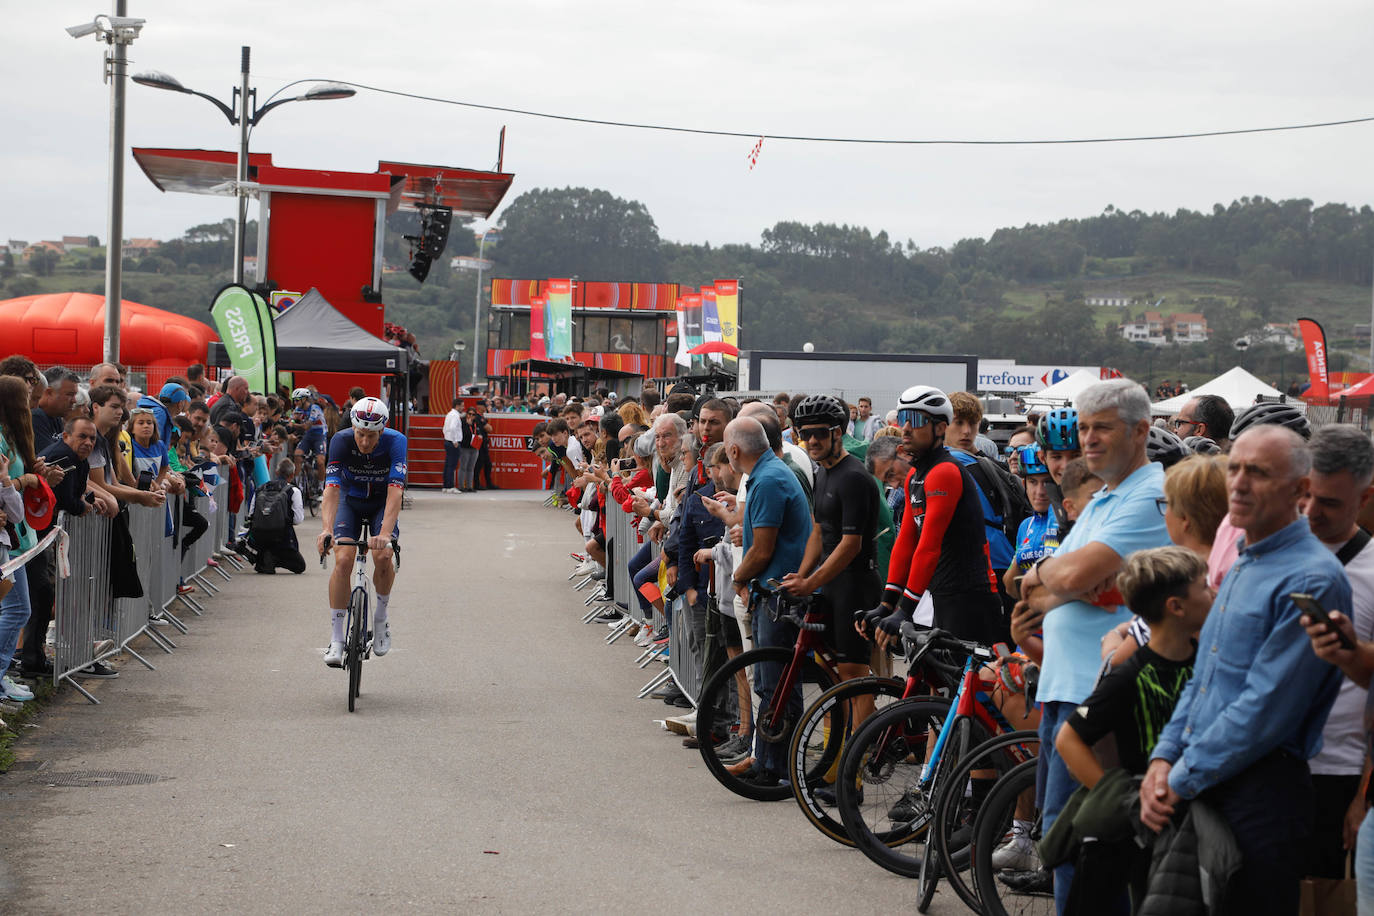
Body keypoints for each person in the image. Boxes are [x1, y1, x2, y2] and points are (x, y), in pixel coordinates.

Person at [1142, 424, 1347, 915]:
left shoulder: (1313, 578)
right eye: (1235, 467)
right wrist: (1164, 756)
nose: (1238, 482)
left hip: (1261, 793)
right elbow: (1204, 678)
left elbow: (1266, 708)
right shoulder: (1243, 564)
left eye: (1258, 472)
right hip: (1208, 778)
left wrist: (1179, 775)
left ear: (1300, 491)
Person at [1016, 379, 1171, 913]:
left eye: (1101, 427)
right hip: (1065, 686)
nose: (1088, 439)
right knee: (1067, 841)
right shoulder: (1104, 496)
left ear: (1141, 431)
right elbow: (1034, 590)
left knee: (1084, 842)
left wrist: (1057, 579)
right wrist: (1062, 582)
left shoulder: (1150, 496)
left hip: (1100, 694)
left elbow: (1070, 574)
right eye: (1083, 428)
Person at [1053, 546, 1212, 910]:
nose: (1214, 594)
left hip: (1179, 825)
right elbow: (1069, 738)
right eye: (1204, 587)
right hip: (1125, 830)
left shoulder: (1205, 663)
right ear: (1176, 607)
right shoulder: (1130, 675)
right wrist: (1123, 797)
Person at [858, 385, 1002, 648]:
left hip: (969, 597)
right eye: (903, 419)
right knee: (933, 683)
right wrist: (887, 602)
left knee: (974, 687)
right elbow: (905, 543)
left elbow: (928, 546)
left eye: (915, 420)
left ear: (939, 428)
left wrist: (905, 609)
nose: (906, 429)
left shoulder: (944, 471)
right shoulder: (915, 475)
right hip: (941, 594)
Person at [781, 395, 882, 754]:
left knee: (854, 677)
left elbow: (850, 544)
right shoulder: (823, 471)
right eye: (803, 434)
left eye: (819, 434)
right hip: (832, 583)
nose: (811, 441)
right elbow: (819, 532)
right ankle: (836, 758)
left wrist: (811, 581)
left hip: (855, 584)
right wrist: (800, 574)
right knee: (834, 679)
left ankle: (857, 761)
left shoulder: (854, 477)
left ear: (838, 432)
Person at [1299, 424, 1374, 885]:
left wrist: (1363, 793)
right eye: (1304, 495)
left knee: (1321, 895)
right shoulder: (1261, 548)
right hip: (1263, 759)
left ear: (1364, 498)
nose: (1311, 512)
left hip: (1337, 771)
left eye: (1329, 503)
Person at [724, 415, 811, 787]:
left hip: (778, 594)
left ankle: (778, 767)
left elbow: (762, 549)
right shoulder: (767, 474)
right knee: (772, 683)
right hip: (774, 590)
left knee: (775, 684)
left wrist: (738, 577)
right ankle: (771, 760)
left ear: (733, 451)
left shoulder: (768, 479)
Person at [316, 397, 406, 666]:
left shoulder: (396, 441)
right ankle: (336, 638)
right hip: (350, 500)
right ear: (352, 428)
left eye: (371, 436)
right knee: (343, 559)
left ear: (382, 431)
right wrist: (326, 530)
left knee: (382, 557)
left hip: (381, 502)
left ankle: (380, 618)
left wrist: (386, 535)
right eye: (360, 434)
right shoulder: (341, 441)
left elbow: (394, 494)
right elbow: (331, 490)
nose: (364, 442)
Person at [244, 457, 306, 574]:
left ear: (276, 472)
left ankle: (263, 558)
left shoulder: (261, 488)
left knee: (265, 552)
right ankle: (274, 558)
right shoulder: (293, 491)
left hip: (260, 537)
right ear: (292, 475)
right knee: (300, 566)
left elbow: (251, 514)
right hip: (283, 538)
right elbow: (298, 519)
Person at [290, 387, 327, 485]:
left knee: (320, 461)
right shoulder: (298, 409)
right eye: (294, 400)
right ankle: (298, 484)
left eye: (297, 400)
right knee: (297, 455)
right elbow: (291, 421)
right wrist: (293, 420)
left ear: (304, 399)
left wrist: (294, 423)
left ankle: (320, 486)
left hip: (319, 436)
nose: (295, 403)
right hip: (308, 436)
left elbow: (306, 426)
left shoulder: (315, 408)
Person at [441, 397, 463, 493]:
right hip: (453, 442)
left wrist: (447, 437)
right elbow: (452, 428)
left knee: (448, 464)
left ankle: (446, 486)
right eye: (462, 406)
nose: (463, 407)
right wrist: (454, 441)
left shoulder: (450, 414)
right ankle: (450, 486)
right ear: (457, 406)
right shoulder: (455, 415)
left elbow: (445, 428)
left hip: (448, 440)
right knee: (452, 465)